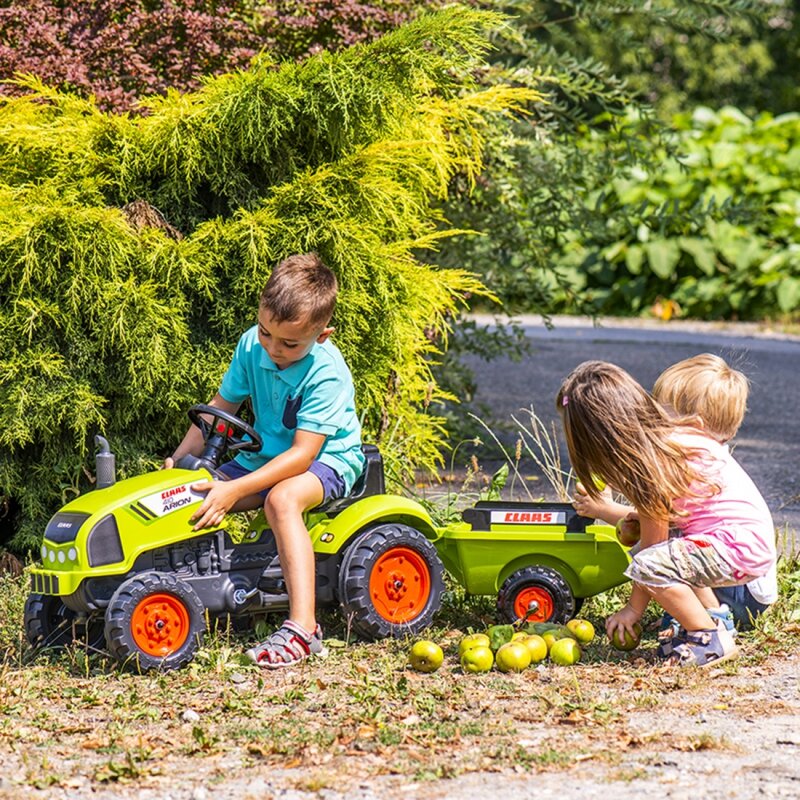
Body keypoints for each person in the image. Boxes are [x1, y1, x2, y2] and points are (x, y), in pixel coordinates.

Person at [165, 252, 365, 668]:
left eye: (290, 343)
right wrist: (180, 460)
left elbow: (302, 455)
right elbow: (222, 406)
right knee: (186, 493)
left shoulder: (326, 373)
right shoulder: (250, 345)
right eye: (266, 333)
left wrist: (235, 488)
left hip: (326, 461)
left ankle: (303, 629)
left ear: (322, 335)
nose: (273, 348)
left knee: (281, 500)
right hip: (267, 456)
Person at [557, 360, 776, 667]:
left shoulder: (655, 463)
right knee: (666, 548)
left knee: (648, 561)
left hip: (739, 551)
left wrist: (633, 610)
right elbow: (662, 529)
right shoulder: (664, 449)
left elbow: (652, 553)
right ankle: (715, 621)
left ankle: (706, 637)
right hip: (742, 545)